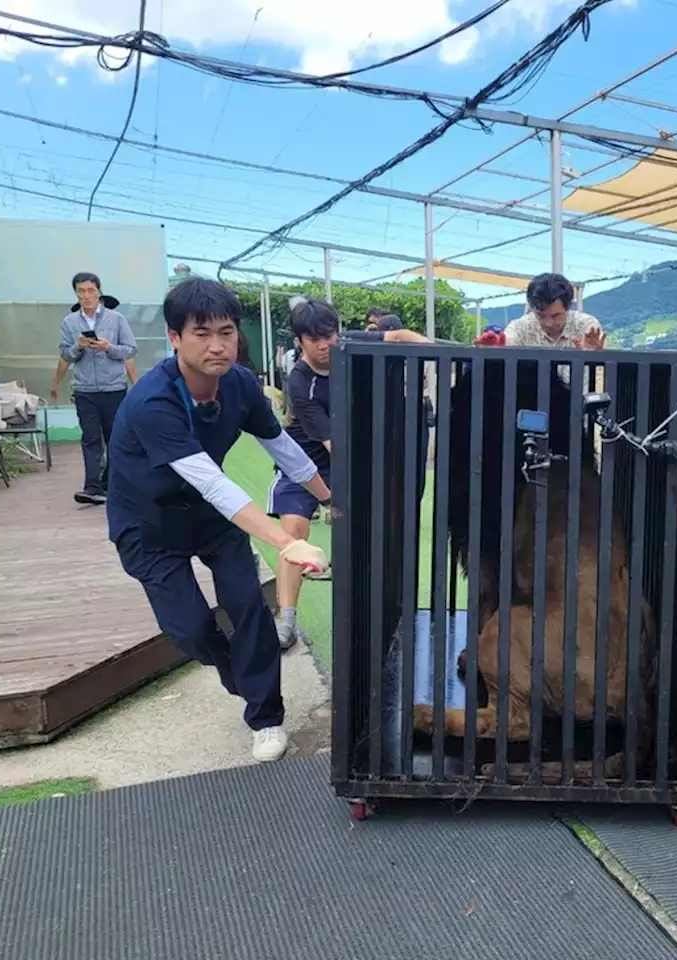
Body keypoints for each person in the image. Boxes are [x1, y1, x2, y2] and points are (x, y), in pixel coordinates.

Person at [105, 277, 330, 762]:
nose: (217, 345)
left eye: (226, 332)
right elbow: (213, 482)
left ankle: (266, 716)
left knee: (247, 604)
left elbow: (283, 449)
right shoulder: (153, 402)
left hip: (209, 518)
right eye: (201, 333)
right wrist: (286, 542)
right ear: (175, 338)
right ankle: (241, 677)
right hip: (148, 525)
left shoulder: (241, 384)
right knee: (190, 631)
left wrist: (332, 497)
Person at [268, 298, 429, 649]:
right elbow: (334, 446)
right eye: (315, 339)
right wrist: (334, 496)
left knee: (368, 530)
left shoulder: (350, 345)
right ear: (300, 342)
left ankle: (375, 610)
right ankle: (287, 620)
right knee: (294, 531)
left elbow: (399, 335)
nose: (325, 345)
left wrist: (439, 350)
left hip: (343, 456)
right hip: (306, 459)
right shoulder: (300, 382)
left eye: (330, 335)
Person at [52, 273, 138, 506]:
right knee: (90, 438)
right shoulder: (69, 322)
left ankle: (111, 485)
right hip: (85, 390)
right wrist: (78, 347)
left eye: (91, 290)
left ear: (99, 291)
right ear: (76, 294)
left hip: (114, 389)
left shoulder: (116, 319)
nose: (86, 296)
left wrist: (108, 347)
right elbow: (65, 355)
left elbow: (130, 350)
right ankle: (91, 487)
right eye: (81, 291)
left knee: (115, 439)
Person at [493, 273, 606, 349]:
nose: (549, 323)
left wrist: (592, 356)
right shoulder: (519, 328)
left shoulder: (586, 327)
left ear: (568, 307)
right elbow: (505, 351)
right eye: (541, 315)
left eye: (556, 316)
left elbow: (600, 367)